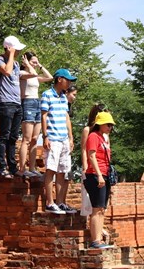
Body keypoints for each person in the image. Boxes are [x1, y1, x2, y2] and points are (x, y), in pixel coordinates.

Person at [40, 67, 78, 214]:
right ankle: (50, 202)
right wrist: (45, 136)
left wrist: (71, 136)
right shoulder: (47, 95)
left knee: (63, 171)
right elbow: (43, 116)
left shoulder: (63, 97)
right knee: (51, 169)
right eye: (67, 80)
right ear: (59, 79)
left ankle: (60, 202)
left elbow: (66, 117)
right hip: (53, 138)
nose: (69, 83)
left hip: (64, 139)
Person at [0, 35, 25, 178]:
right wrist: (10, 54)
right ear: (8, 48)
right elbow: (7, 71)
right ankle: (2, 166)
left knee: (13, 136)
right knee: (4, 135)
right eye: (15, 49)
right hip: (4, 103)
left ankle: (12, 166)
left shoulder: (16, 64)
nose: (17, 52)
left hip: (16, 103)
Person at [84, 110, 117, 249]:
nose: (110, 127)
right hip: (95, 175)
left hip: (104, 174)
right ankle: (95, 240)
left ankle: (98, 239)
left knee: (102, 209)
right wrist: (98, 175)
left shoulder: (103, 138)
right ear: (100, 124)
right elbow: (91, 156)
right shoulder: (93, 136)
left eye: (111, 125)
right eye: (108, 124)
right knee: (97, 209)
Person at [18, 51, 53, 178]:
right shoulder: (22, 73)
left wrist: (40, 66)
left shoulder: (34, 75)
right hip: (27, 102)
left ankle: (32, 168)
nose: (35, 63)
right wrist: (28, 65)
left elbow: (49, 77)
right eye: (33, 61)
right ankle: (22, 168)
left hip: (36, 103)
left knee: (34, 138)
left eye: (36, 61)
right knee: (26, 139)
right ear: (25, 61)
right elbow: (32, 73)